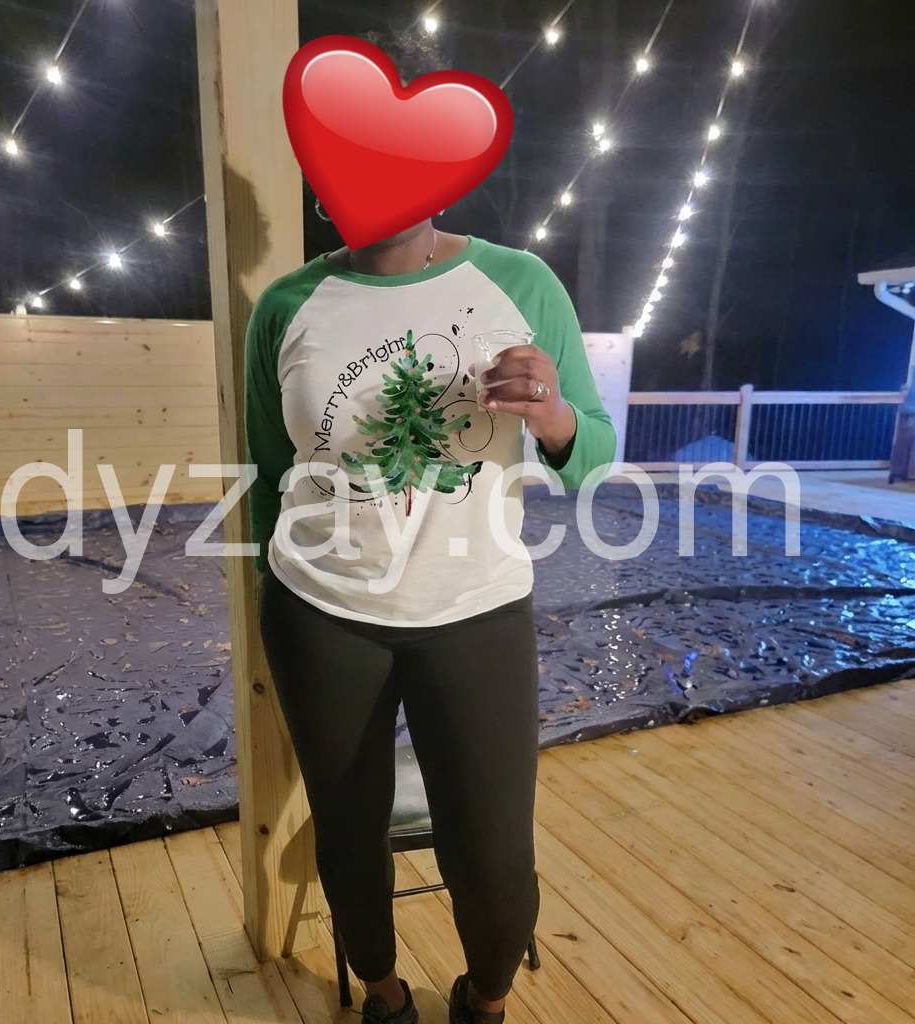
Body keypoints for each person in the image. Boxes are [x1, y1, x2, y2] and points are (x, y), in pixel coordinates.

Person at [245, 34, 616, 1024]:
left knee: (492, 861)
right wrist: (269, 590)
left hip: (474, 611)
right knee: (347, 834)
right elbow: (270, 474)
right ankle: (382, 995)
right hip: (321, 614)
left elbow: (593, 457)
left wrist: (552, 415)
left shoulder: (520, 284)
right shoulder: (285, 304)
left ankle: (482, 1000)